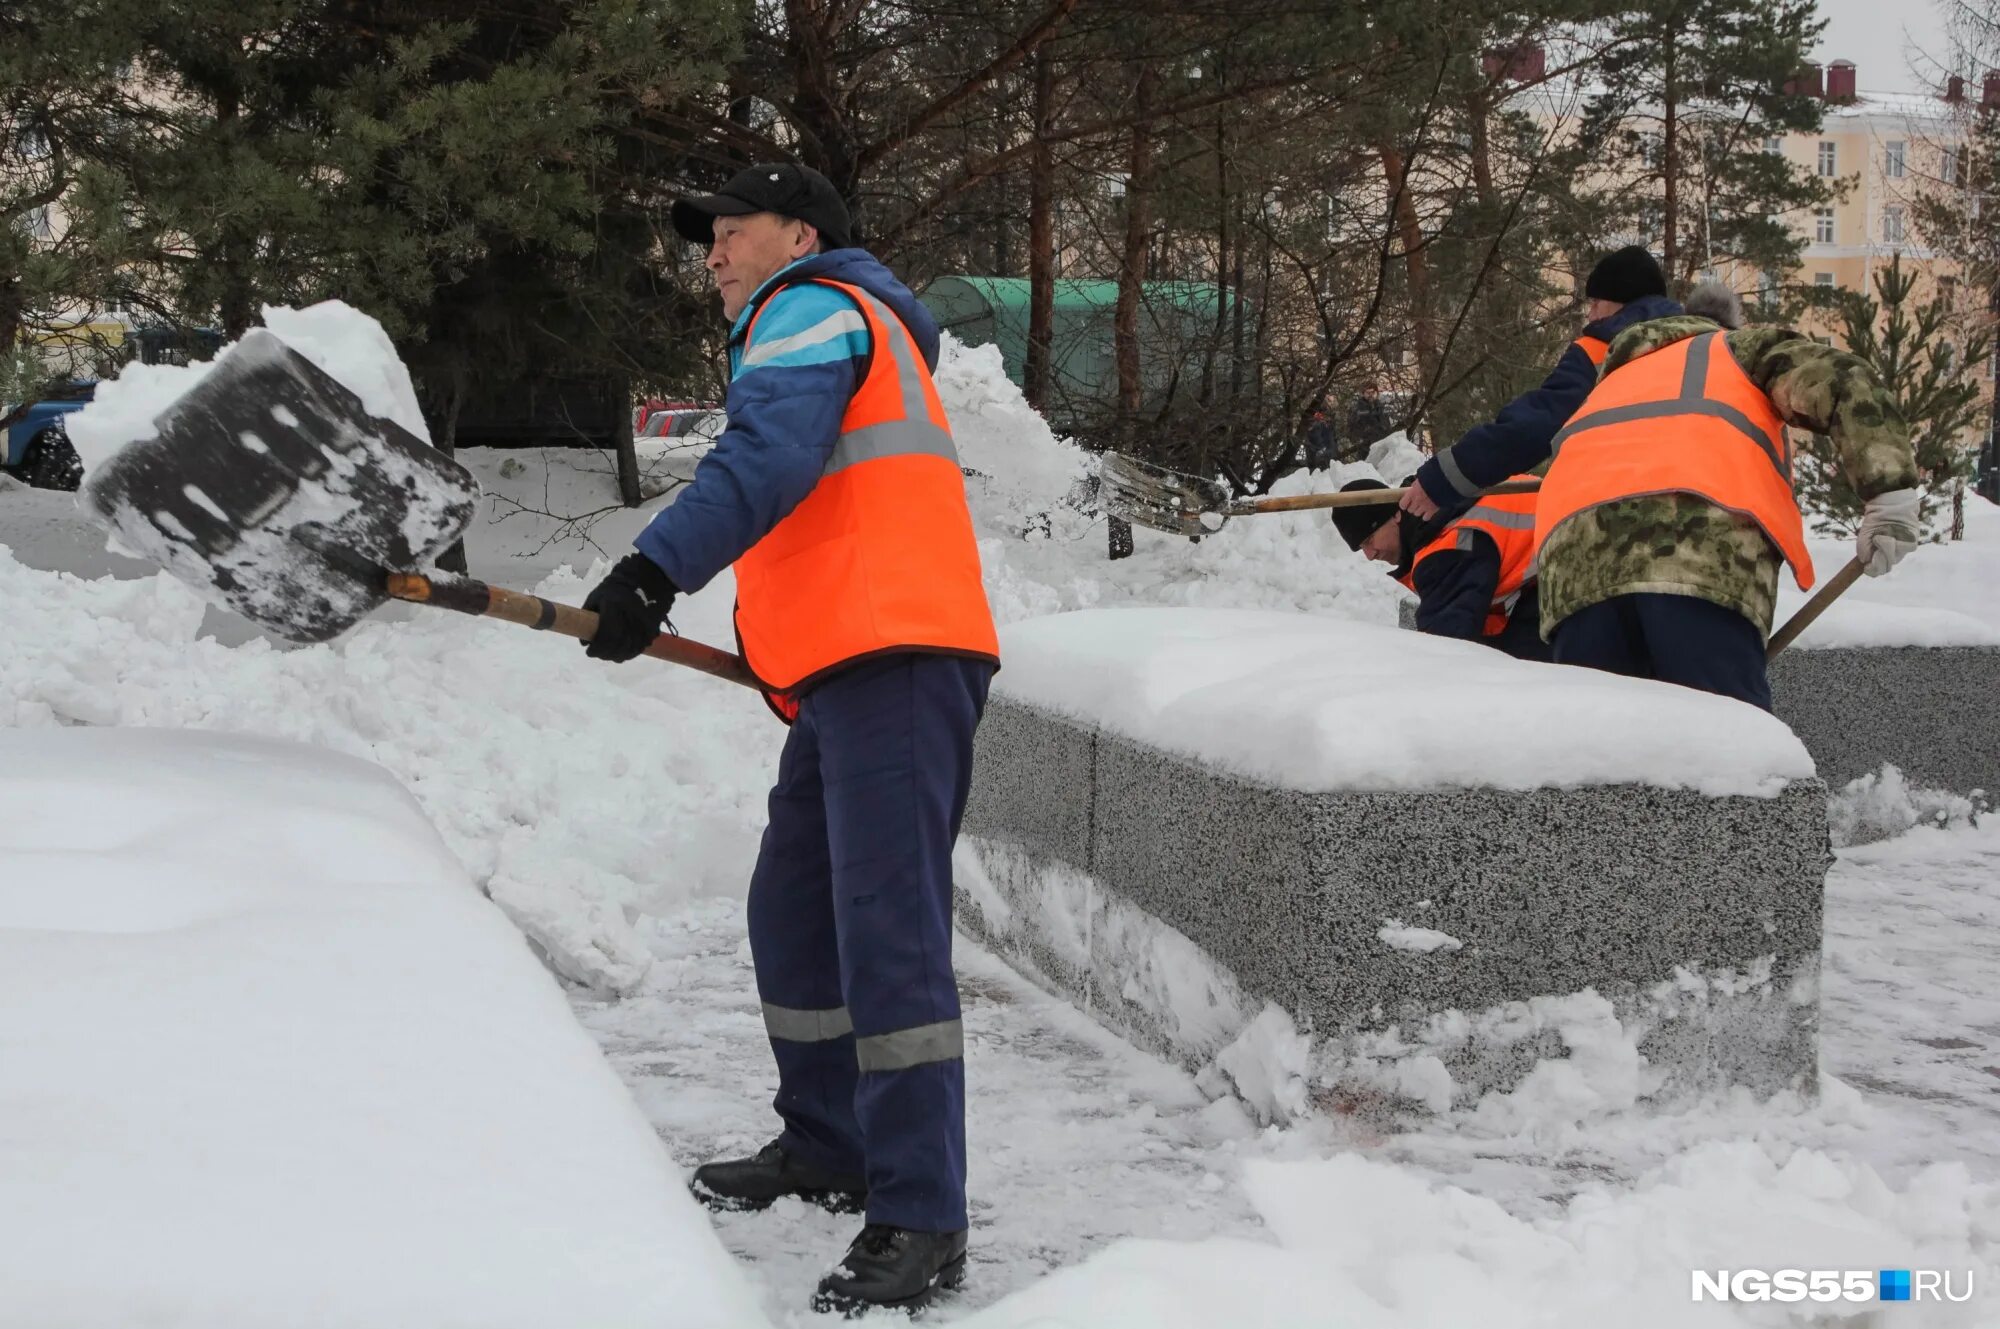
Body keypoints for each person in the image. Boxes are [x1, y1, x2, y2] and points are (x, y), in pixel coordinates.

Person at [579, 161, 999, 1316]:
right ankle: (829, 1141)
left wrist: (651, 569)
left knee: (887, 934)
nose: (710, 254)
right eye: (702, 236)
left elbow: (764, 457)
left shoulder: (810, 305)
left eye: (729, 230)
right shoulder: (844, 316)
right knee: (796, 904)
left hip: (896, 657)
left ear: (798, 232)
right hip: (845, 669)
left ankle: (920, 1215)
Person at [1531, 278, 1922, 707]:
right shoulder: (1732, 349)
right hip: (1694, 555)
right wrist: (1890, 491)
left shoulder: (1609, 384)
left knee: (1603, 757)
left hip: (1575, 576)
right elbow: (1841, 378)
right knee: (1728, 747)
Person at [1400, 245, 1681, 522]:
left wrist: (1444, 478)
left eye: (1596, 303)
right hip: (1712, 512)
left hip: (1633, 518)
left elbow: (1533, 426)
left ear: (1622, 302)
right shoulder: (1705, 347)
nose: (1591, 315)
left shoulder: (1601, 353)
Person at [1331, 475, 1550, 661]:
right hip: (1552, 558)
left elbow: (1447, 649)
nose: (1369, 555)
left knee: (1524, 670)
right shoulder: (1437, 509)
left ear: (1395, 515)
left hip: (1570, 557)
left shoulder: (1444, 548)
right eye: (1361, 547)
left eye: (1369, 539)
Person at [1346, 382, 1391, 451]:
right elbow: (1351, 429)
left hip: (1382, 447)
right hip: (1365, 449)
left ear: (1377, 393)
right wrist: (1361, 440)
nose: (1370, 395)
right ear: (1363, 393)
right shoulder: (1357, 409)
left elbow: (1387, 426)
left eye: (1373, 392)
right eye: (1368, 393)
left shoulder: (1381, 408)